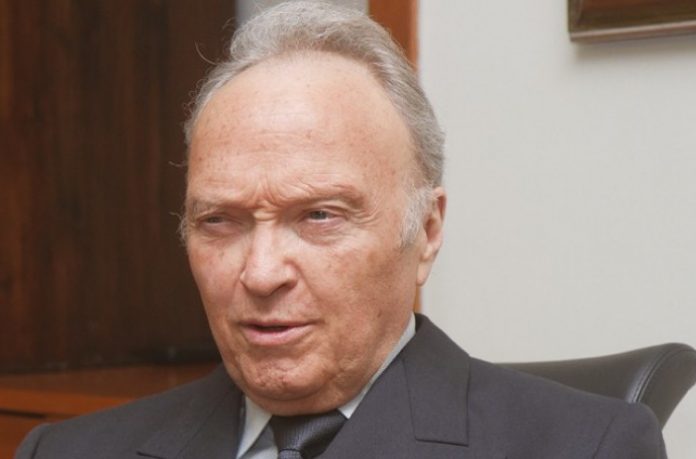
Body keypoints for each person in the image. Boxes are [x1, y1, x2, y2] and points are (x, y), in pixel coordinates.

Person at [16, 2, 666, 458]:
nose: (261, 272)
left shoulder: (586, 447)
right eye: (219, 221)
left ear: (427, 230)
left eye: (319, 216)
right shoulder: (65, 451)